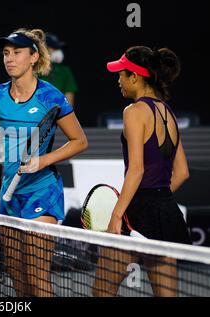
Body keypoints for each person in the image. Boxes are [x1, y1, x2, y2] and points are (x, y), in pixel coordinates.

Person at [0, 28, 88, 296]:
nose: (10, 58)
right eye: (6, 53)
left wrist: (44, 160)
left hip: (43, 190)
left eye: (17, 52)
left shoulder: (50, 96)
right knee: (18, 278)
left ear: (33, 57)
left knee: (38, 278)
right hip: (9, 194)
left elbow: (79, 141)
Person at [92, 46, 192, 297]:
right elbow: (182, 172)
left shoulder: (134, 112)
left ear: (134, 77)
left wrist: (117, 214)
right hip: (166, 211)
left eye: (121, 75)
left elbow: (136, 170)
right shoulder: (168, 113)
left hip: (136, 212)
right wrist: (158, 200)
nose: (118, 81)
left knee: (101, 291)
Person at [39, 33, 78, 106]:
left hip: (58, 114)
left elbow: (69, 102)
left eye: (58, 48)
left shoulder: (64, 71)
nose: (58, 51)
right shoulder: (31, 69)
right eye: (54, 48)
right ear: (43, 49)